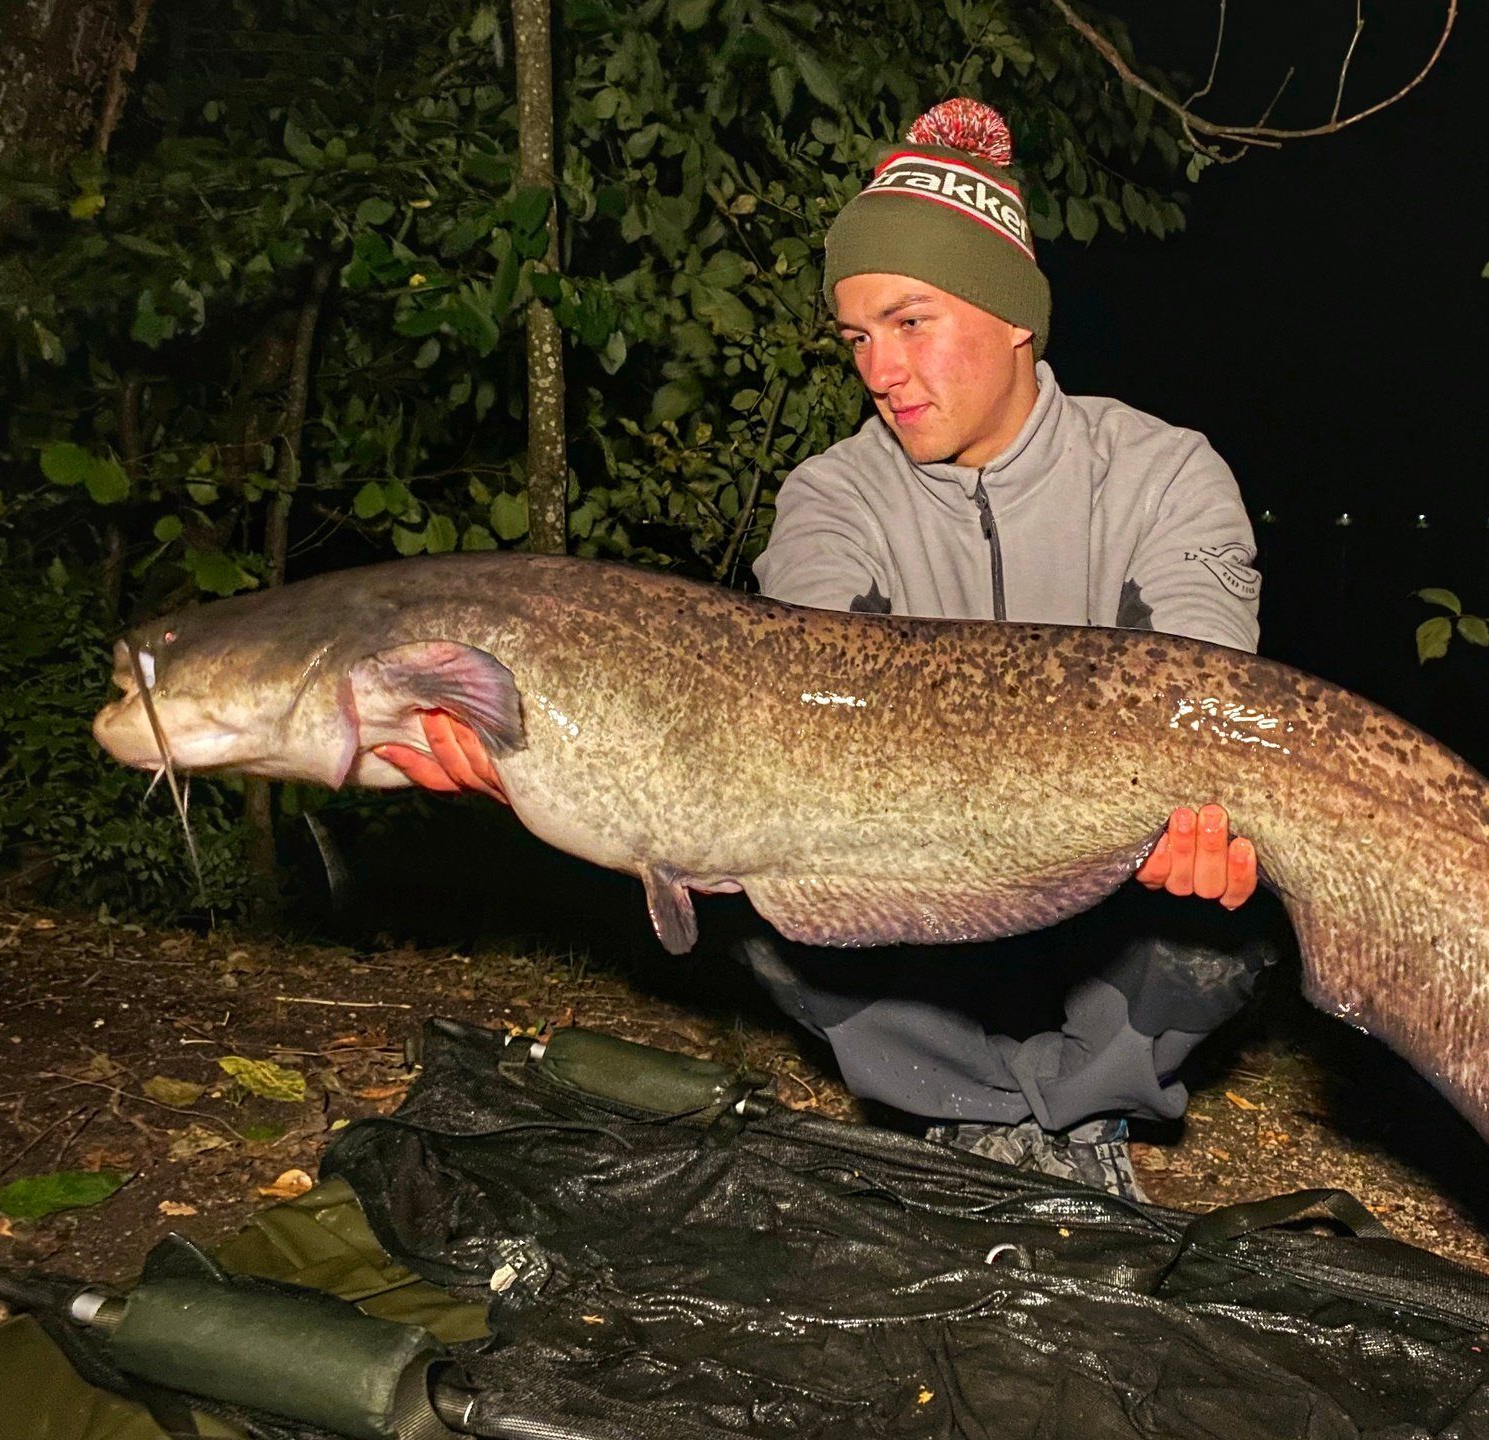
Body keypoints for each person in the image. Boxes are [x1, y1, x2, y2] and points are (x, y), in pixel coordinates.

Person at [377, 98, 1272, 1201]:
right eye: (856, 338)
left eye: (909, 322)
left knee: (1231, 906)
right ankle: (972, 1123)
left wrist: (1212, 815)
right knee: (769, 889)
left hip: (1099, 860)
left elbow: (1210, 689)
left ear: (1012, 318)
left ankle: (1084, 1121)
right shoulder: (832, 498)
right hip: (910, 861)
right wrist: (536, 758)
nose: (879, 369)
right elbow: (787, 702)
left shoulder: (1163, 474)